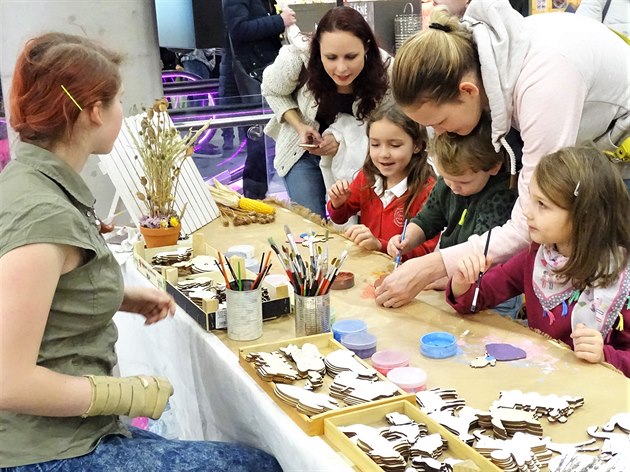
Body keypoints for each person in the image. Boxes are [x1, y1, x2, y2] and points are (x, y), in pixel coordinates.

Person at [0, 32, 282, 471]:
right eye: (118, 102)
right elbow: (9, 381)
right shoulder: (43, 215)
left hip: (62, 435)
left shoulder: (31, 184)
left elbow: (44, 292)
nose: (121, 113)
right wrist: (128, 392)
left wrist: (121, 298)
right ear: (94, 111)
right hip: (46, 451)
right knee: (257, 465)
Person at [375, 0, 630, 308]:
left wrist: (436, 264)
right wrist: (453, 262)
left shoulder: (543, 83)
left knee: (607, 293)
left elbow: (530, 221)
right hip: (600, 138)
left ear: (468, 91)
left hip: (618, 150)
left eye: (440, 123)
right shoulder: (490, 60)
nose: (440, 134)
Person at [447, 147, 630, 377]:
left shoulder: (622, 278)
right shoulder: (538, 256)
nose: (527, 212)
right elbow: (477, 299)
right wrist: (462, 283)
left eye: (542, 205)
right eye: (531, 199)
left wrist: (605, 355)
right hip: (541, 384)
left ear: (584, 216)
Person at [262, 6, 392, 218]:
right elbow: (272, 91)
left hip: (360, 158)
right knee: (311, 227)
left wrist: (343, 142)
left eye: (351, 57)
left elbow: (390, 122)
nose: (341, 69)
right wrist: (300, 126)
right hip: (301, 154)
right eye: (331, 57)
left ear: (367, 47)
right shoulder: (297, 58)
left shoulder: (386, 70)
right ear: (317, 49)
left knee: (357, 231)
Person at [387, 115, 517, 286]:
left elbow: (481, 252)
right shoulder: (448, 184)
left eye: (463, 182)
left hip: (488, 287)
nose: (453, 187)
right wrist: (407, 239)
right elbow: (427, 218)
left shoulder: (501, 195)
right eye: (447, 178)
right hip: (451, 274)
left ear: (493, 167)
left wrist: (446, 276)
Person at [327, 103, 439, 258]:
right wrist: (337, 203)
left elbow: (426, 252)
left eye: (394, 145)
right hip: (369, 271)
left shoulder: (429, 191)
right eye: (375, 144)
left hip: (403, 276)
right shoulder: (367, 177)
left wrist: (380, 245)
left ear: (417, 146)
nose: (383, 154)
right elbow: (339, 218)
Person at [222, 0, 296, 199]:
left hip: (262, 75)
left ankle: (258, 198)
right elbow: (238, 29)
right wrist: (279, 21)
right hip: (252, 78)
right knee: (259, 145)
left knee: (264, 144)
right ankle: (254, 198)